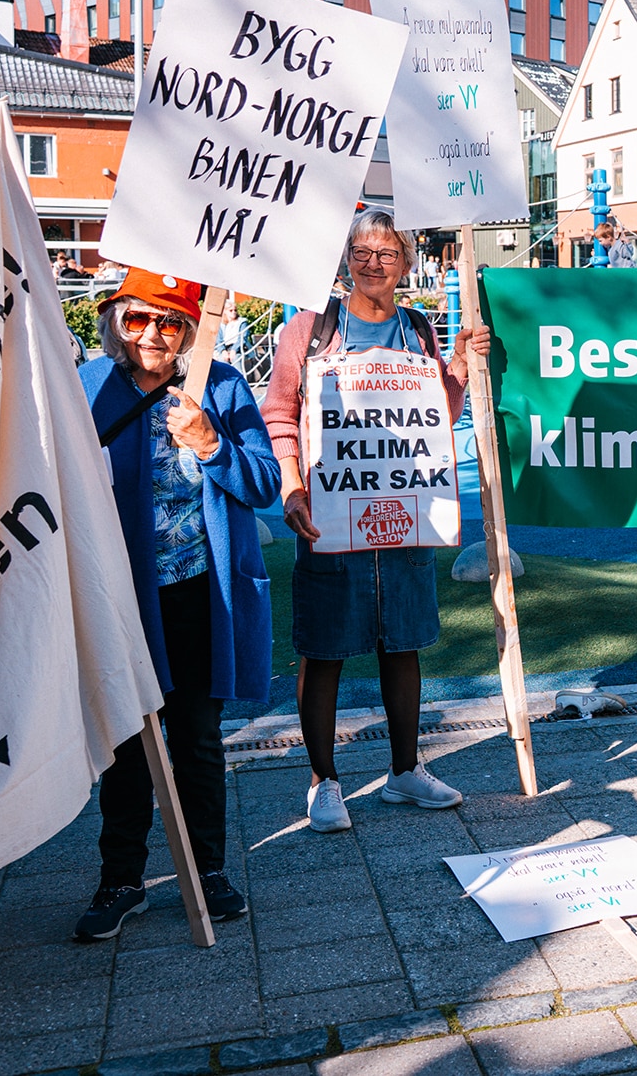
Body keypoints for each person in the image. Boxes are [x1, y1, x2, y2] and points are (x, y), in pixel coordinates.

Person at [261, 211, 490, 832]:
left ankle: (404, 770)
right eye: (361, 252)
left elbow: (436, 417)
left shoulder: (418, 329)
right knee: (324, 646)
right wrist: (292, 487)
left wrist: (463, 367)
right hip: (330, 510)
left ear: (406, 263)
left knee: (404, 639)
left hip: (404, 510)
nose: (373, 263)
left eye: (387, 253)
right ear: (344, 262)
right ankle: (324, 780)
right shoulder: (309, 330)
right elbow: (279, 413)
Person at [75, 270, 279, 941]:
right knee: (129, 742)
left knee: (195, 737)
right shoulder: (88, 389)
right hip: (121, 593)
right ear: (115, 323)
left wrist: (211, 444)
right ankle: (121, 880)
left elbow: (263, 482)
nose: (153, 335)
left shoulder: (219, 387)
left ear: (190, 330)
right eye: (137, 320)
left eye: (169, 322)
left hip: (199, 593)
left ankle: (207, 871)